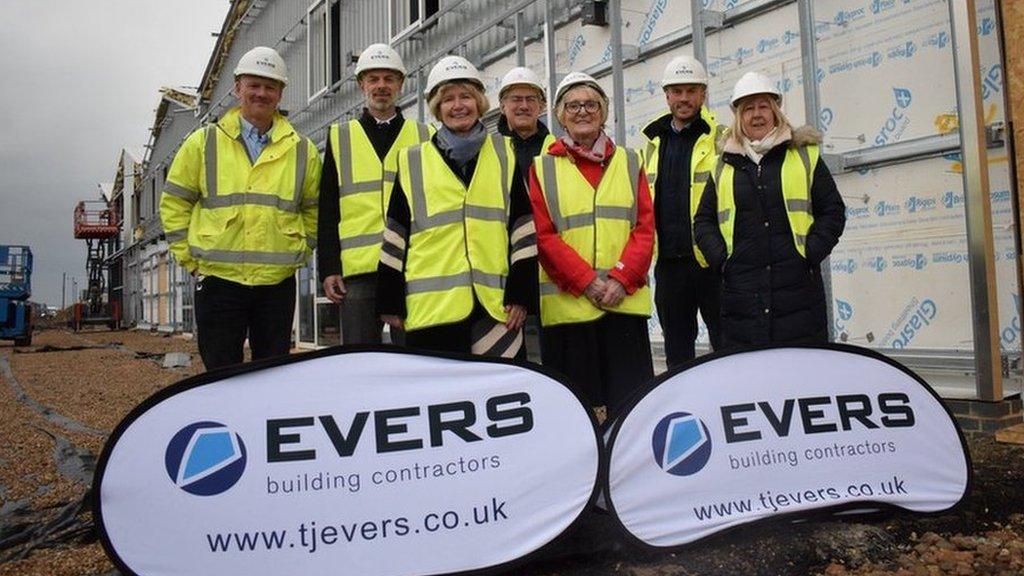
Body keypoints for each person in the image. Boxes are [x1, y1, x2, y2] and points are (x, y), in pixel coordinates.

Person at [160, 46, 321, 370]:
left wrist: (301, 250)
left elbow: (313, 210)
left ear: (280, 93)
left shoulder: (302, 150)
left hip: (275, 284)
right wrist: (190, 260)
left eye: (270, 86)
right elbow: (175, 202)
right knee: (220, 373)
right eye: (254, 85)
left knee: (272, 371)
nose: (261, 93)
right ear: (238, 88)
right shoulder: (203, 143)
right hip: (219, 280)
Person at [375, 56, 536, 357]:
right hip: (431, 311)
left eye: (466, 97)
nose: (458, 105)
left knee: (499, 391)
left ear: (479, 103)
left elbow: (523, 229)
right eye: (448, 99)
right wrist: (389, 300)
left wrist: (522, 294)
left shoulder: (504, 152)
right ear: (437, 108)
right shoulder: (412, 160)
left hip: (495, 305)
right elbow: (395, 235)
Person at [529, 72, 655, 417]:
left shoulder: (631, 162)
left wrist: (621, 279)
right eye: (573, 106)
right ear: (559, 115)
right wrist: (587, 281)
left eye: (591, 104)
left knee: (631, 408)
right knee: (576, 410)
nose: (582, 112)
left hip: (623, 305)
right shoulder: (542, 168)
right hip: (570, 309)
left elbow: (644, 228)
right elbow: (544, 236)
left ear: (603, 111)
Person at [694, 71, 846, 348]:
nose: (757, 115)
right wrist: (722, 260)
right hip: (741, 297)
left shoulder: (803, 155)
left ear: (775, 111)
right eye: (748, 108)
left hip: (799, 294)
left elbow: (832, 210)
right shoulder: (722, 164)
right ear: (738, 117)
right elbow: (703, 221)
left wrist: (810, 252)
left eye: (763, 106)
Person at [317, 43, 432, 345]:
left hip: (412, 265)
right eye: (373, 79)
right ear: (361, 85)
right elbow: (328, 208)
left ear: (400, 84)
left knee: (415, 358)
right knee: (359, 359)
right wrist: (329, 268)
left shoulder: (425, 136)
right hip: (359, 273)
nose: (381, 86)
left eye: (389, 79)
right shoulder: (339, 137)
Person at [642, 55, 723, 368]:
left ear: (703, 94)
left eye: (691, 91)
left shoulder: (723, 139)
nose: (684, 98)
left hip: (712, 264)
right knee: (677, 352)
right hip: (669, 265)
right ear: (667, 96)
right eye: (677, 91)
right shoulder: (652, 142)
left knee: (726, 344)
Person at [496, 66, 555, 362]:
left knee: (554, 351)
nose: (523, 106)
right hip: (504, 267)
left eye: (531, 99)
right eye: (515, 98)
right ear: (502, 105)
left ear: (542, 106)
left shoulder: (556, 149)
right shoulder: (487, 150)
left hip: (551, 263)